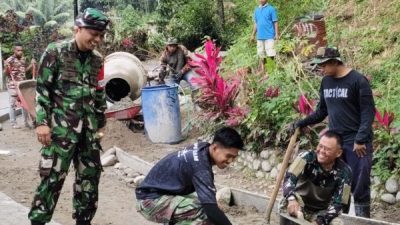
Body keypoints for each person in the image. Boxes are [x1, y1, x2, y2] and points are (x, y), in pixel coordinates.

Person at [28, 8, 110, 225]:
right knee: (51, 180)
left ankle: (84, 221)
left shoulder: (97, 60)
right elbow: (42, 89)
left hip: (89, 133)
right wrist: (41, 123)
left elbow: (99, 93)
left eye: (101, 35)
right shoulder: (56, 51)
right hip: (59, 132)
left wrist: (101, 125)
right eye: (94, 33)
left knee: (90, 181)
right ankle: (38, 221)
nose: (97, 39)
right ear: (79, 28)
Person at [291, 47, 375, 217]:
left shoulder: (358, 81)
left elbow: (368, 112)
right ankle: (340, 218)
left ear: (335, 62)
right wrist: (302, 122)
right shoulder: (326, 82)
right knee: (340, 183)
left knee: (359, 184)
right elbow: (322, 111)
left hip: (356, 143)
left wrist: (361, 138)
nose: (320, 69)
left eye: (323, 65)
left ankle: (362, 219)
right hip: (335, 143)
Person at [136, 127, 244, 225]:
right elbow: (210, 209)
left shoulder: (203, 148)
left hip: (161, 194)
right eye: (228, 156)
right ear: (215, 148)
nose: (230, 161)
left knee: (205, 204)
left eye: (234, 157)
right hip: (149, 201)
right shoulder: (201, 167)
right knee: (199, 210)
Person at [281, 130, 352, 225]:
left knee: (337, 223)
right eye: (320, 146)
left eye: (327, 149)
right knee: (290, 209)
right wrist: (291, 199)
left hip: (321, 212)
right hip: (299, 204)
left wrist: (319, 221)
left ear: (338, 153)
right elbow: (289, 178)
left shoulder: (345, 172)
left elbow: (339, 204)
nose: (322, 151)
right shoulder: (305, 157)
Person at [3, 43, 36, 129]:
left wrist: (31, 65)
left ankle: (26, 123)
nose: (20, 52)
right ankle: (13, 123)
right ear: (14, 51)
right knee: (12, 104)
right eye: (18, 50)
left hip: (22, 85)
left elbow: (24, 71)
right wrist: (7, 68)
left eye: (21, 50)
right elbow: (6, 73)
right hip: (13, 85)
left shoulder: (23, 59)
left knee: (24, 104)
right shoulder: (9, 60)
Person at [251, 0, 279, 74]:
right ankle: (263, 70)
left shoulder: (271, 9)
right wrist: (253, 35)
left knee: (271, 54)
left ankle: (270, 71)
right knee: (261, 54)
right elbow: (256, 24)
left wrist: (277, 34)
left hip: (269, 36)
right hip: (260, 36)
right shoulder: (256, 10)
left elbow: (275, 22)